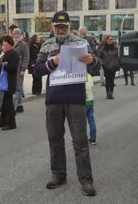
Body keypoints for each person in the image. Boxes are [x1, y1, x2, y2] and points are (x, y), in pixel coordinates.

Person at [34, 10, 98, 197]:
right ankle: (59, 174)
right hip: (53, 100)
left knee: (80, 141)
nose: (60, 30)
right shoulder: (46, 45)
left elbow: (97, 64)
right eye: (57, 27)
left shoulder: (81, 43)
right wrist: (53, 61)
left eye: (64, 26)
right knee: (55, 139)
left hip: (75, 99)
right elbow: (37, 71)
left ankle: (86, 180)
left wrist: (92, 60)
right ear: (52, 27)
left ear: (69, 27)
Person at [0, 35, 20, 131]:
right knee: (4, 103)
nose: (3, 45)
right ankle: (3, 122)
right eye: (3, 43)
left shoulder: (13, 54)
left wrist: (2, 64)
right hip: (3, 81)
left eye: (5, 43)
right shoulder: (4, 53)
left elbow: (12, 67)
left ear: (10, 44)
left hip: (9, 81)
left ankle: (11, 123)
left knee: (9, 104)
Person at [11, 28, 29, 113]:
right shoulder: (11, 44)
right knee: (17, 86)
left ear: (20, 35)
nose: (16, 36)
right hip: (12, 68)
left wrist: (23, 69)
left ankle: (14, 108)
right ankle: (20, 105)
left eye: (17, 34)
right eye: (15, 34)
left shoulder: (23, 44)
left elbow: (26, 58)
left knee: (17, 87)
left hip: (19, 68)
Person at [98, 35, 120, 99]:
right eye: (110, 39)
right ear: (106, 40)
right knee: (107, 80)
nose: (111, 40)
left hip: (114, 66)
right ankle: (108, 93)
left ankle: (111, 93)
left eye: (112, 39)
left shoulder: (116, 48)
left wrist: (117, 62)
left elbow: (118, 56)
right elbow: (99, 56)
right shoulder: (103, 48)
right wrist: (103, 63)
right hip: (106, 66)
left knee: (112, 80)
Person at [85, 74, 96, 145]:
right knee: (91, 121)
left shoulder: (78, 76)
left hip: (83, 101)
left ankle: (81, 139)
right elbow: (91, 86)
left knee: (80, 123)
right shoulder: (89, 75)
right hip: (90, 100)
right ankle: (93, 138)